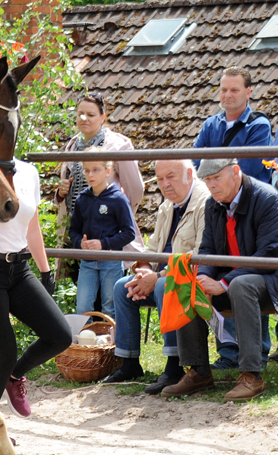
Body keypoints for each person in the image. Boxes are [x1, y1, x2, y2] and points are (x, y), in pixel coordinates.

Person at [0, 158, 72, 446]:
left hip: (19, 270)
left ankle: (14, 377)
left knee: (60, 335)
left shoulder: (28, 171)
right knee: (4, 351)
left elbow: (31, 227)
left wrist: (45, 271)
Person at [162, 158, 278, 402]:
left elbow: (269, 252)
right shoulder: (213, 204)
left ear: (235, 172)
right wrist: (203, 276)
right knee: (190, 280)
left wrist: (222, 283)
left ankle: (251, 375)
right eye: (207, 180)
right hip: (234, 278)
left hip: (270, 279)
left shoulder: (268, 198)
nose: (211, 185)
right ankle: (198, 371)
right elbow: (207, 249)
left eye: (217, 178)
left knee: (241, 284)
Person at [101, 160, 210, 391]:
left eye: (170, 176)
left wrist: (158, 275)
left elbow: (202, 254)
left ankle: (174, 366)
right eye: (160, 179)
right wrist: (144, 269)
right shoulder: (167, 205)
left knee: (163, 286)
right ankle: (128, 362)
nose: (164, 184)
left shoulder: (205, 202)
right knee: (123, 286)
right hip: (164, 273)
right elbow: (151, 249)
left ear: (189, 174)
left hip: (192, 278)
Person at [192, 66, 273, 368]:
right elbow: (197, 161)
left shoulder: (259, 126)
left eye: (234, 90)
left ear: (249, 92)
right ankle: (226, 353)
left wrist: (217, 175)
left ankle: (257, 351)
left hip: (249, 206)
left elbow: (252, 170)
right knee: (220, 269)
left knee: (250, 266)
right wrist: (216, 182)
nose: (227, 95)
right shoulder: (211, 123)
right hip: (219, 205)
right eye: (223, 89)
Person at [56, 93, 145, 280]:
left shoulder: (118, 146)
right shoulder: (72, 146)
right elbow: (65, 185)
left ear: (102, 118)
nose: (84, 119)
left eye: (90, 114)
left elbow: (135, 190)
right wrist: (61, 191)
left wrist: (119, 213)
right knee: (79, 289)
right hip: (77, 231)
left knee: (106, 296)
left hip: (106, 232)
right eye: (80, 114)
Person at [67, 152, 137, 319]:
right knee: (83, 308)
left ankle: (111, 344)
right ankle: (87, 343)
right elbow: (73, 231)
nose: (90, 175)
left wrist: (103, 244)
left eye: (96, 170)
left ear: (108, 171)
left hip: (111, 261)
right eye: (87, 170)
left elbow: (129, 233)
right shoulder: (82, 199)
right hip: (87, 262)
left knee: (110, 308)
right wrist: (79, 243)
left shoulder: (118, 199)